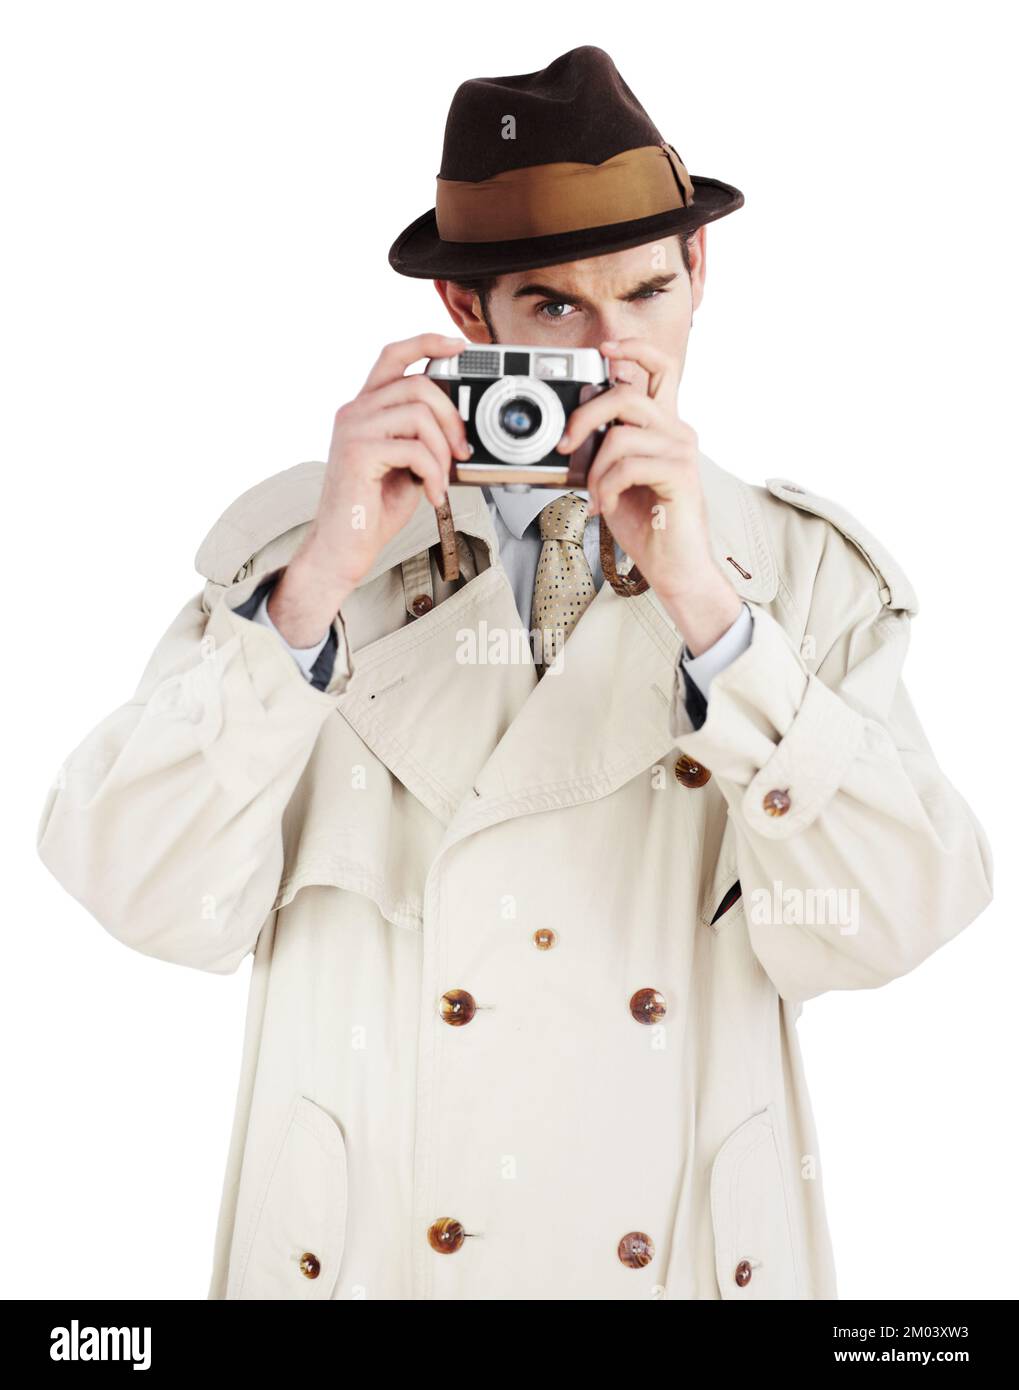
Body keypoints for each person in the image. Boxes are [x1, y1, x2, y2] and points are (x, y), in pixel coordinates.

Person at [37, 45, 993, 1301]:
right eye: (554, 311)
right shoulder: (302, 559)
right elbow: (141, 893)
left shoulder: (797, 579)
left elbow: (891, 926)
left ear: (699, 271)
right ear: (464, 316)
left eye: (646, 293)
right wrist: (315, 588)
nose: (610, 356)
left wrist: (712, 617)